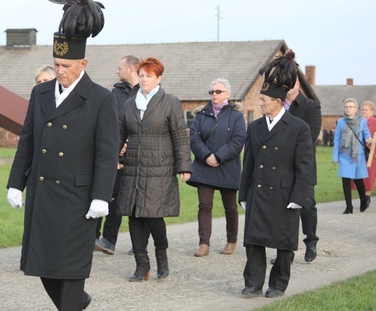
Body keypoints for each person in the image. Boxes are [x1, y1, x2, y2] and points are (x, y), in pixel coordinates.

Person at [8, 0, 118, 311]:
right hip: (43, 194)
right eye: (56, 66)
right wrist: (15, 182)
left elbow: (107, 151)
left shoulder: (100, 99)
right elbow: (28, 139)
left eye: (67, 66)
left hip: (77, 198)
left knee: (71, 269)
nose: (60, 72)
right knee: (41, 264)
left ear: (83, 64)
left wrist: (102, 195)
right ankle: (77, 302)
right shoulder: (41, 93)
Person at [239, 50, 313, 298]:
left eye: (264, 99)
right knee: (254, 241)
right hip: (258, 191)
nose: (260, 102)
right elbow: (248, 162)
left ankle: (278, 283)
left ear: (277, 101)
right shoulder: (256, 127)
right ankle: (253, 282)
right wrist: (244, 193)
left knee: (284, 243)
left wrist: (298, 197)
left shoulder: (298, 128)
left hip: (285, 194)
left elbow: (305, 167)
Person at [117, 56, 191, 282]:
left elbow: (179, 135)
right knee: (134, 215)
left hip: (159, 166)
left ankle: (161, 256)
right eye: (141, 75)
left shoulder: (170, 102)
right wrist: (115, 156)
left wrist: (184, 166)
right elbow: (120, 133)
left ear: (158, 77)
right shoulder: (129, 103)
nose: (144, 79)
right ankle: (142, 265)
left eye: (148, 76)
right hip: (133, 166)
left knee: (153, 215)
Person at [188, 78, 245, 257]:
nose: (214, 95)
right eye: (211, 92)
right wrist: (207, 156)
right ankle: (204, 243)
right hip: (204, 166)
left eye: (218, 91)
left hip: (227, 166)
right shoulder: (201, 114)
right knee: (204, 205)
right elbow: (194, 139)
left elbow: (238, 140)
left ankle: (231, 240)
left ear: (227, 93)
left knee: (230, 206)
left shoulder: (235, 116)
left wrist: (219, 156)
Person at [94, 54, 139, 256]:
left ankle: (139, 243)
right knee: (110, 193)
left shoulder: (145, 92)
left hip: (138, 154)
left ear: (131, 68)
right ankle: (102, 239)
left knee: (136, 200)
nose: (117, 70)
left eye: (120, 67)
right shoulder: (115, 93)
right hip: (115, 153)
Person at [284, 75, 322, 262]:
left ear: (297, 84)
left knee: (306, 206)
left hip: (303, 166)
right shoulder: (276, 105)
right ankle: (287, 250)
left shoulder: (311, 106)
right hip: (281, 166)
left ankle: (311, 240)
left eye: (289, 83)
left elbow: (311, 135)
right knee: (285, 209)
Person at [333, 98, 372, 214]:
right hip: (344, 155)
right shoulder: (340, 122)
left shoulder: (362, 121)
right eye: (346, 107)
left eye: (350, 107)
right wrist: (335, 157)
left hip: (358, 156)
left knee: (359, 180)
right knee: (345, 181)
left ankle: (363, 200)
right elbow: (337, 140)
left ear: (355, 109)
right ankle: (348, 206)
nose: (348, 109)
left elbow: (366, 135)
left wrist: (369, 140)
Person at [356, 101, 376, 196]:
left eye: (366, 110)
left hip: (372, 155)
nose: (364, 112)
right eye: (362, 110)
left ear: (372, 111)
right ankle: (363, 198)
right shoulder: (357, 122)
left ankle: (366, 197)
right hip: (359, 155)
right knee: (359, 178)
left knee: (369, 178)